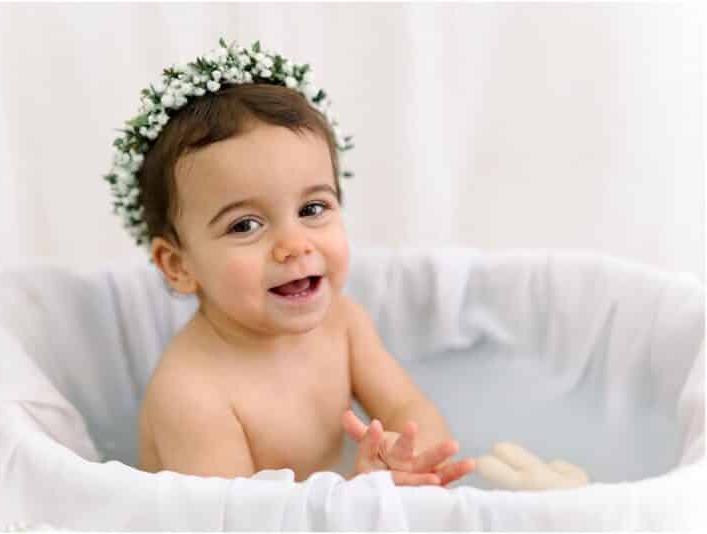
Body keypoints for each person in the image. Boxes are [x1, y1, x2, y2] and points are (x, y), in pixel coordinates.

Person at [104, 38, 475, 486]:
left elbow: (409, 410)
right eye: (245, 225)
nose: (294, 245)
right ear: (178, 266)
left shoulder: (343, 323)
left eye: (312, 209)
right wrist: (356, 499)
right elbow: (233, 522)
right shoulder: (193, 395)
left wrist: (406, 459)